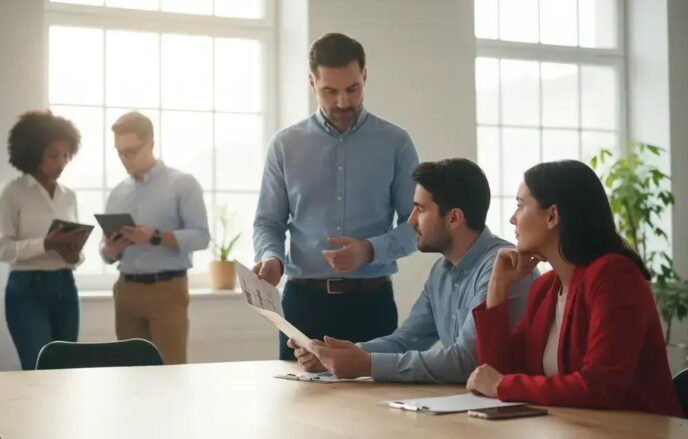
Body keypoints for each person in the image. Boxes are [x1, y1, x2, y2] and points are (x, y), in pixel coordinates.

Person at [466, 160, 683, 417]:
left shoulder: (614, 276)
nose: (512, 218)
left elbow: (600, 386)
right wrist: (497, 284)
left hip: (638, 431)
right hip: (575, 429)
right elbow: (498, 371)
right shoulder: (545, 288)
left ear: (552, 216)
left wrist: (501, 384)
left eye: (520, 205)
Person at [253, 33, 420, 360]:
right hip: (304, 307)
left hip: (372, 305)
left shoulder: (396, 143)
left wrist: (371, 250)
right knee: (297, 404)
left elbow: (418, 226)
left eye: (352, 89)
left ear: (365, 77)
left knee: (374, 410)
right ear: (312, 83)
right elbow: (268, 221)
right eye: (330, 91)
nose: (343, 102)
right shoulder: (285, 146)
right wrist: (272, 256)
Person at [291, 159, 535, 382]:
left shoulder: (503, 267)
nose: (411, 221)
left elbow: (468, 360)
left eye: (421, 209)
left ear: (454, 218)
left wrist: (368, 365)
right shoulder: (442, 270)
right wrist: (335, 355)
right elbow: (406, 340)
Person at [101, 111, 210, 365]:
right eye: (119, 152)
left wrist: (157, 236)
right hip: (126, 291)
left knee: (170, 374)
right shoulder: (117, 193)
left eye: (131, 151)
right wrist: (110, 250)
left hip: (167, 291)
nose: (124, 159)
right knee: (128, 375)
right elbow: (106, 253)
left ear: (150, 142)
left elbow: (202, 237)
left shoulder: (182, 184)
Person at [0, 110, 86, 370]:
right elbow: (0, 249)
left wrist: (74, 255)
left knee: (66, 371)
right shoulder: (12, 192)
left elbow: (75, 248)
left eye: (65, 155)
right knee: (38, 370)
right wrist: (46, 244)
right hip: (26, 291)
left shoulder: (69, 196)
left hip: (66, 287)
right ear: (33, 154)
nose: (61, 162)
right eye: (53, 155)